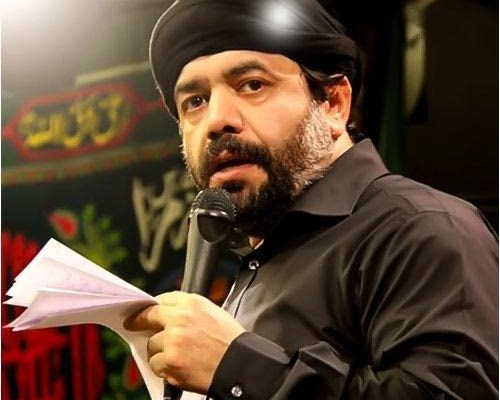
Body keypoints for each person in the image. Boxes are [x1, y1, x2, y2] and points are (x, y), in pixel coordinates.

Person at [125, 1, 499, 399]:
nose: (216, 120)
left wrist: (237, 366)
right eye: (195, 101)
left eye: (253, 85)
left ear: (334, 104)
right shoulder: (263, 263)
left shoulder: (418, 227)